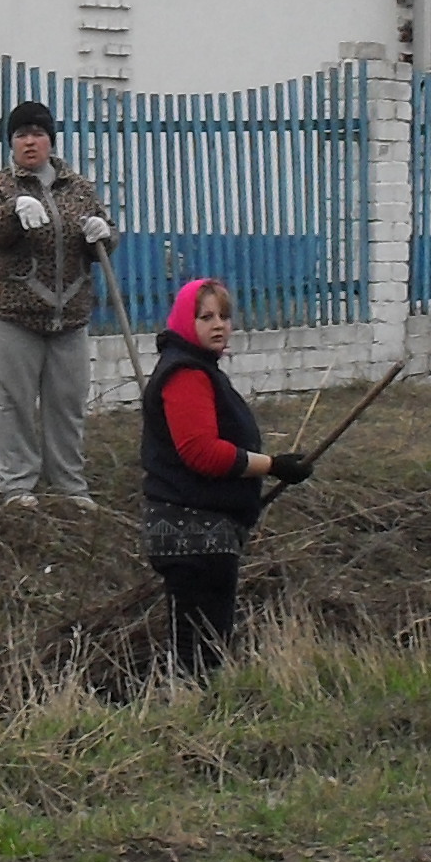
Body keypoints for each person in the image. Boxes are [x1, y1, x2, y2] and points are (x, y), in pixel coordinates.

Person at [138, 277, 310, 682]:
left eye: (225, 316)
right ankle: (198, 719)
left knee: (200, 645)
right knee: (202, 650)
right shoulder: (185, 375)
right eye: (206, 316)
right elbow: (201, 452)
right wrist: (273, 465)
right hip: (195, 534)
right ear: (185, 320)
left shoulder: (199, 369)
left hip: (201, 531)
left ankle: (195, 712)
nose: (219, 325)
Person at [0, 100, 116, 508]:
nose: (29, 142)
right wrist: (13, 211)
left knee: (67, 402)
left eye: (37, 134)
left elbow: (104, 242)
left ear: (51, 140)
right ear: (11, 143)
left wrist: (103, 232)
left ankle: (70, 486)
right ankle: (18, 486)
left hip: (68, 313)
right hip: (10, 312)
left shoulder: (79, 187)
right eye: (20, 135)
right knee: (15, 400)